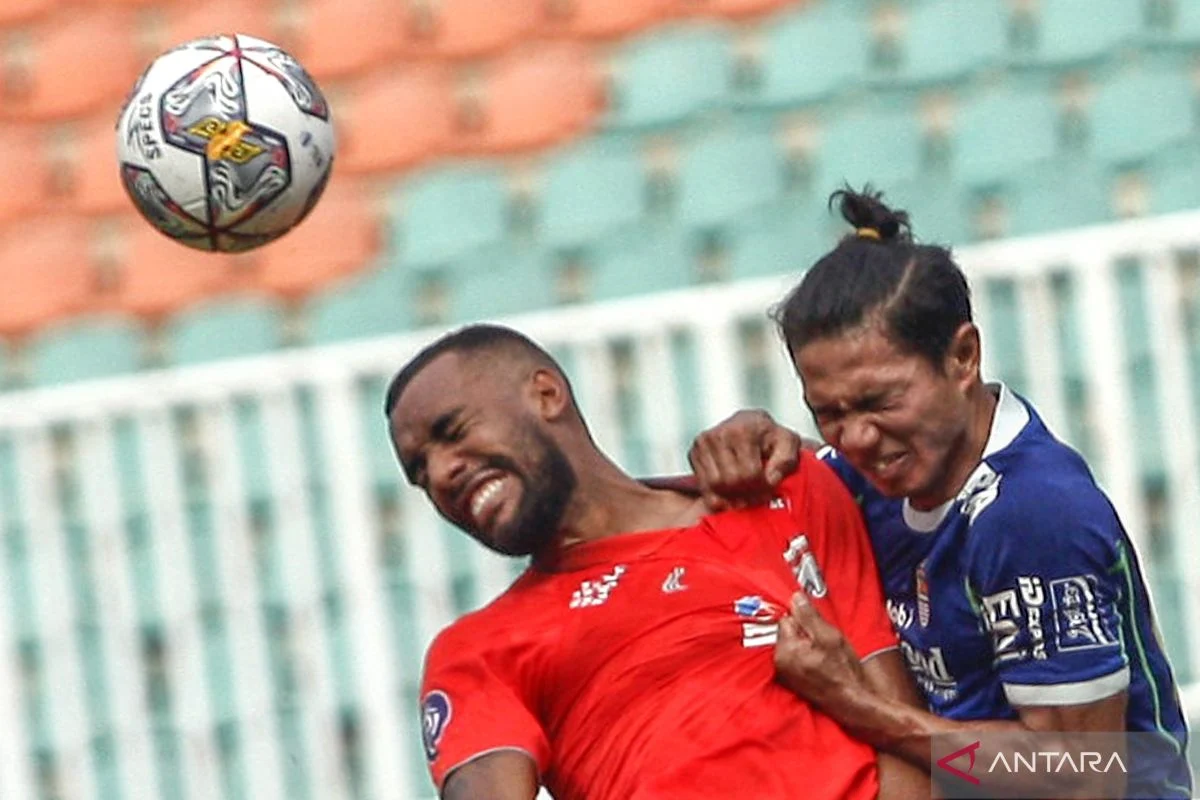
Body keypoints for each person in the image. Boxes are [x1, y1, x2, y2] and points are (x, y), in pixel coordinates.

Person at [685, 188, 1193, 797]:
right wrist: (740, 445)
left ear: (963, 357)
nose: (857, 436)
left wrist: (859, 705)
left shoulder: (1030, 515)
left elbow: (1083, 775)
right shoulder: (867, 476)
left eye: (879, 402)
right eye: (829, 412)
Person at [384, 323, 930, 800]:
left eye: (453, 433)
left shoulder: (782, 490)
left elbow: (904, 736)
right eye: (419, 472)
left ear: (546, 394)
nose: (441, 473)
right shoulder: (479, 650)